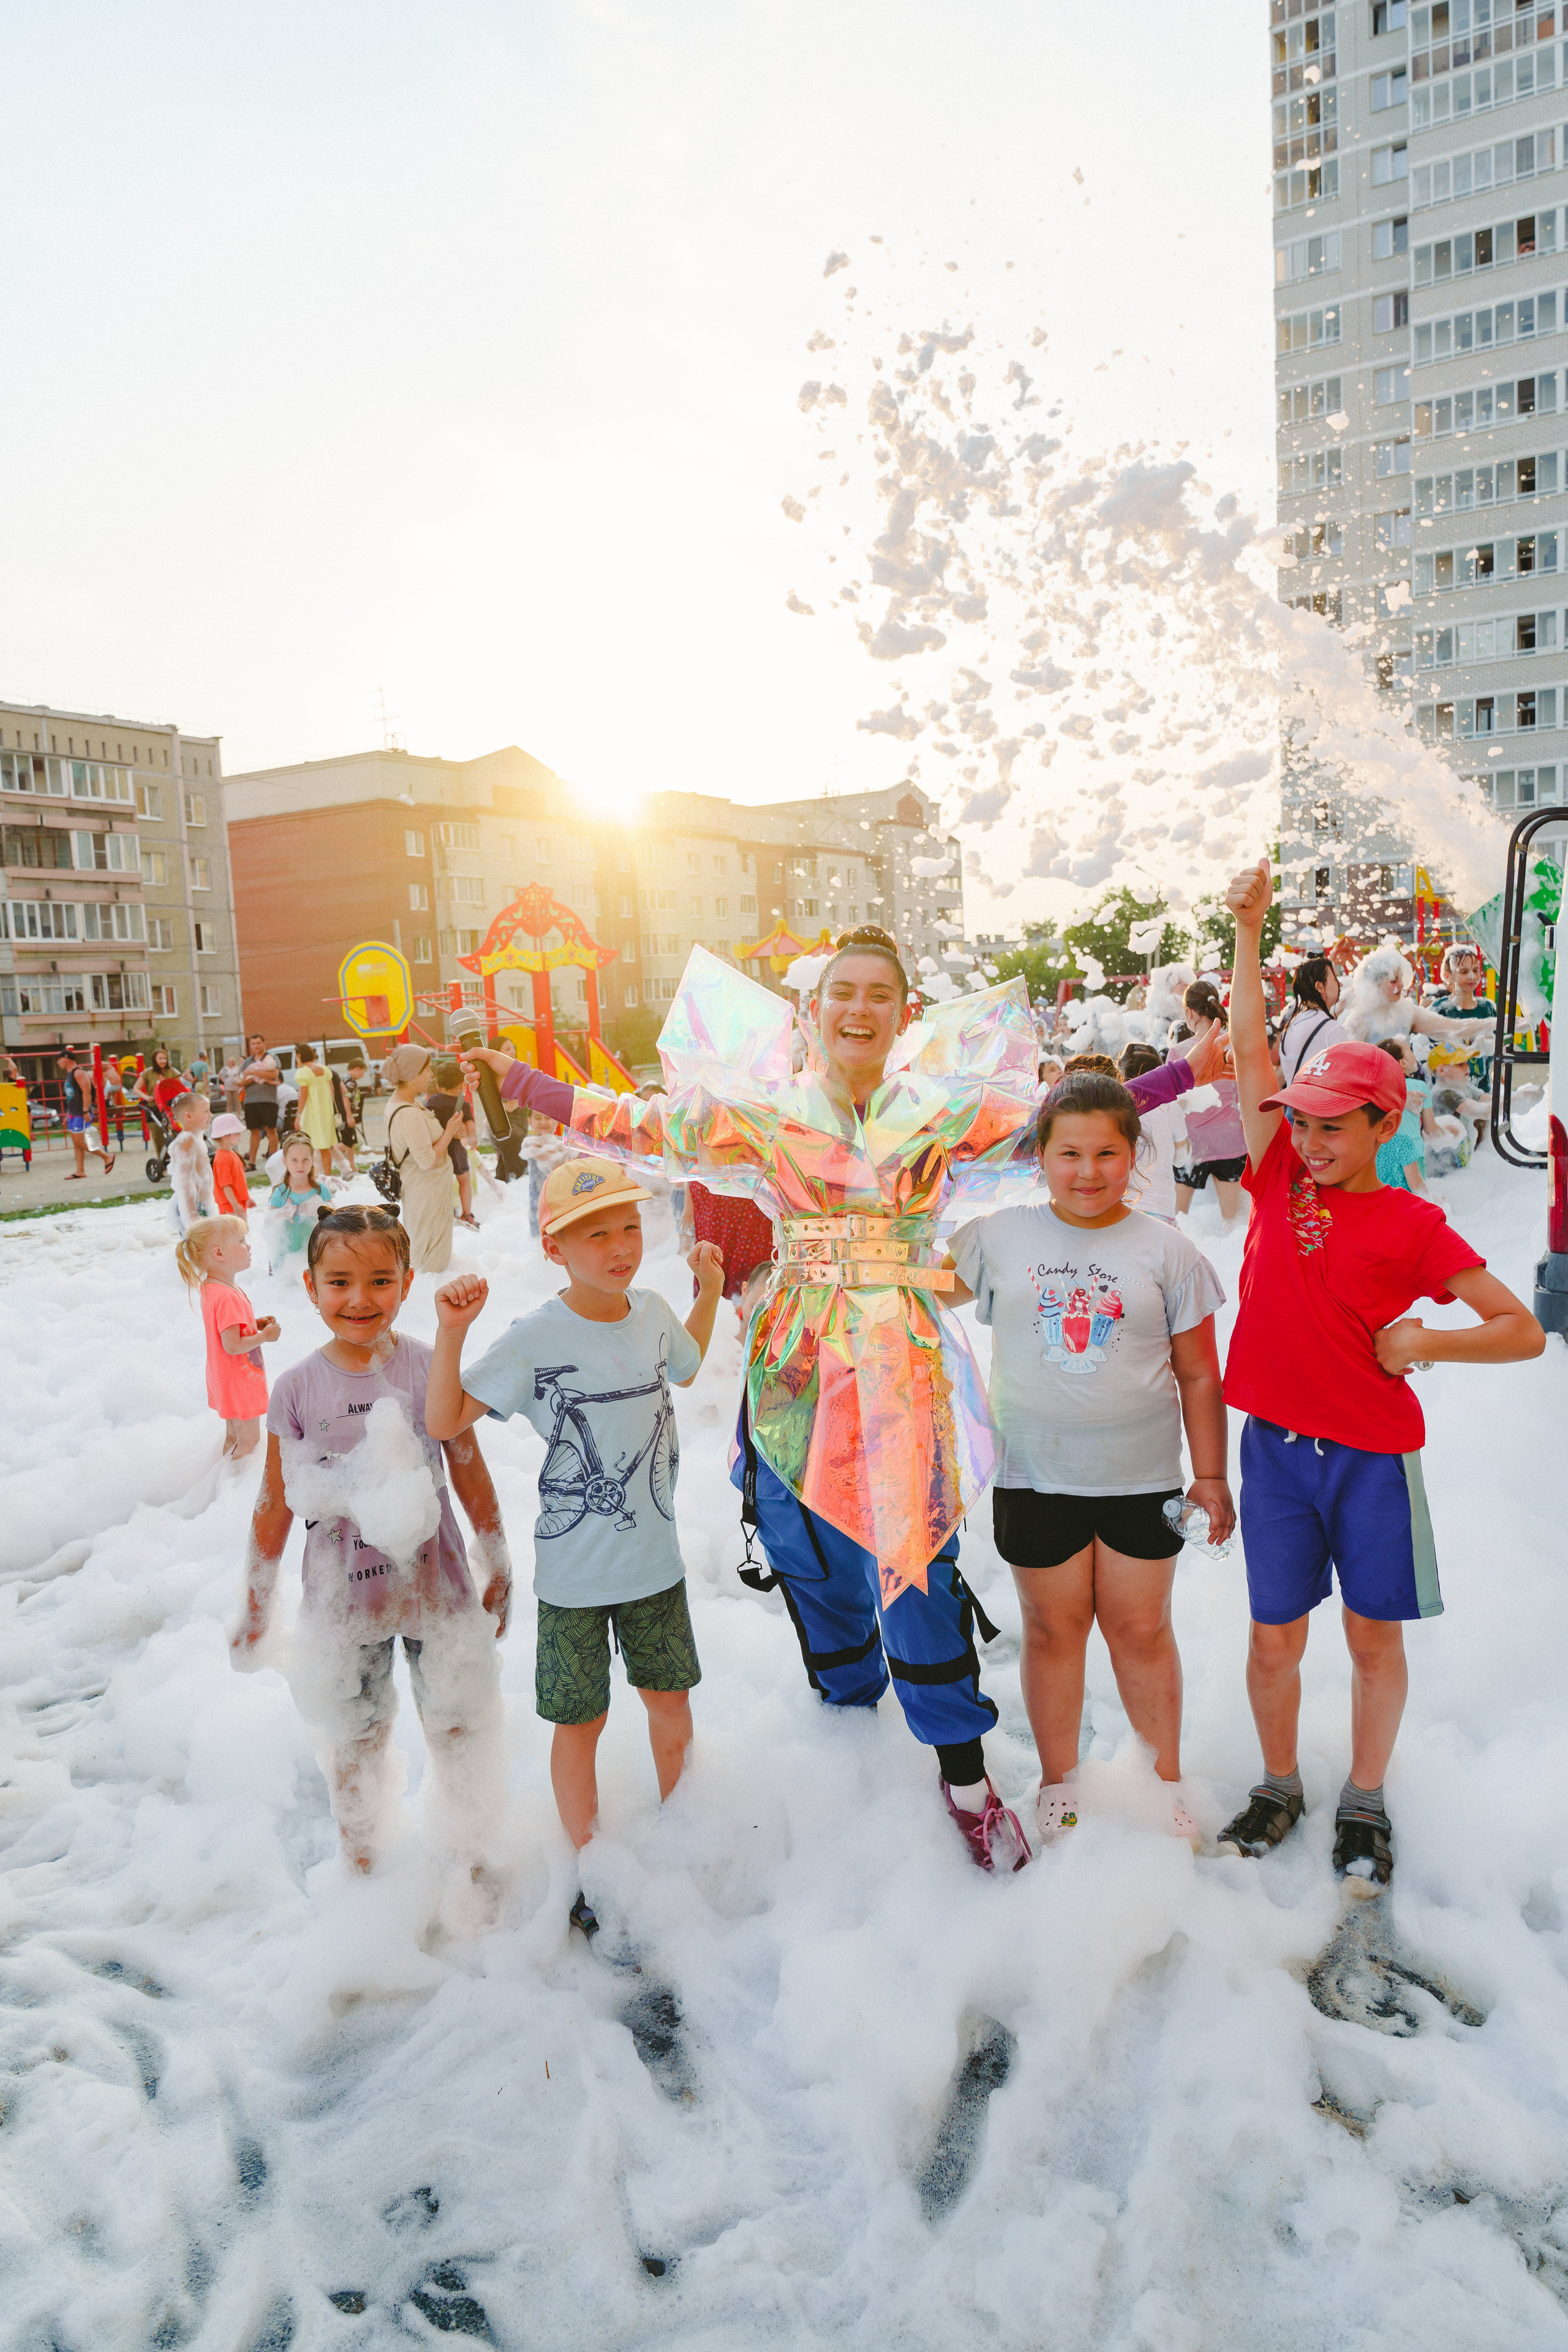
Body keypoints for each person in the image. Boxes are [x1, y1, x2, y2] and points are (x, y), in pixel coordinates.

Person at [462, 927, 1230, 1871]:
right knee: (802, 1547)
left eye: (879, 994)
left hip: (901, 1360)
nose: (859, 1009)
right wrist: (527, 1083)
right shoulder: (766, 1112)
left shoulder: (943, 1113)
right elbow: (645, 1124)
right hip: (792, 1355)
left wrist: (1186, 1072)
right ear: (813, 1012)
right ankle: (848, 1712)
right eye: (842, 993)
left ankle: (962, 1772)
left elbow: (1063, 1122)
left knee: (911, 1559)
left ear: (903, 1015)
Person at [1215, 858, 1544, 1890]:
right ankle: (1278, 1786)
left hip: (1370, 1459)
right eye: (1299, 1121)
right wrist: (1248, 930)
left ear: (1383, 1126)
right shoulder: (1274, 1173)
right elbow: (1245, 1046)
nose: (1308, 1140)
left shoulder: (1410, 1223)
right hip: (1271, 1451)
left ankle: (1365, 1797)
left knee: (1370, 1638)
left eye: (1331, 1124)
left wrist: (1426, 1343)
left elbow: (1521, 1329)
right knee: (1274, 1642)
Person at [426, 1164, 724, 1915]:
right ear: (556, 1246)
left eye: (628, 1226)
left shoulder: (653, 1311)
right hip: (573, 1580)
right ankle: (588, 1866)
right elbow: (444, 1420)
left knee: (670, 1703)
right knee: (579, 1721)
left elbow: (684, 1372)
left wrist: (710, 1291)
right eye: (596, 1233)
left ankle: (687, 1836)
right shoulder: (535, 1339)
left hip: (655, 1566)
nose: (619, 1245)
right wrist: (452, 1333)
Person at [946, 1071, 1230, 1844]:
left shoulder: (1167, 1252)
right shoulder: (997, 1238)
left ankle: (1160, 1781)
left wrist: (1210, 1476)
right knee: (1052, 1630)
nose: (1088, 1172)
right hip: (1034, 1478)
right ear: (1039, 1155)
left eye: (1107, 1153)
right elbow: (902, 1281)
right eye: (1068, 1153)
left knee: (1141, 1631)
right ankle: (1059, 1783)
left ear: (1133, 1154)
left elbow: (1199, 1373)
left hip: (1141, 1482)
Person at [233, 1205, 511, 1880]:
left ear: (408, 1282)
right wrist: (256, 1602)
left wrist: (495, 1558)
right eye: (339, 1282)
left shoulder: (428, 1368)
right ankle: (363, 1872)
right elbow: (274, 1500)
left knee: (457, 1729)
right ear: (310, 1287)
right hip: (342, 1601)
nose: (360, 1299)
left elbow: (468, 1466)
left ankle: (471, 1865)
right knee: (355, 1741)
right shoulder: (297, 1387)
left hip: (437, 1586)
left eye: (380, 1280)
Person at [175, 1212, 280, 1458]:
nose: (249, 1246)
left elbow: (227, 1328)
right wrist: (265, 1337)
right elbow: (232, 1345)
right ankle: (235, 1484)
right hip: (240, 1380)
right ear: (219, 1254)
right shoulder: (228, 1296)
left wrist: (253, 1325)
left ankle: (222, 1480)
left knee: (233, 1436)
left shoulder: (213, 1288)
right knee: (250, 1441)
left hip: (224, 1377)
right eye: (241, 1241)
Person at [383, 1042, 467, 1275]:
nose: (431, 1075)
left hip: (426, 1190)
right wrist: (450, 1132)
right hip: (426, 1192)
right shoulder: (408, 1112)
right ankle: (431, 1303)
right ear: (412, 1077)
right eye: (427, 1070)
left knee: (426, 1250)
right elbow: (427, 1161)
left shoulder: (408, 1102)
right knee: (431, 1259)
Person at [1172, 982, 1248, 1226]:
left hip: (1192, 1147)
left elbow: (1173, 1105)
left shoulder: (1178, 1051)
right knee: (1234, 1224)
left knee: (1176, 1221)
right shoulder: (1234, 1046)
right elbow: (1244, 1097)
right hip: (1232, 1143)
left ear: (1190, 1013)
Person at [1118, 1042, 1184, 1222]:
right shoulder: (1171, 1109)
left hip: (1121, 1207)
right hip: (1160, 1207)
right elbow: (1182, 1159)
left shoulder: (1114, 1109)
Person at [1434, 943, 1497, 1096]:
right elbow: (1433, 1052)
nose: (1472, 976)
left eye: (1475, 970)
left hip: (1483, 1088)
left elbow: (1498, 1048)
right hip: (1451, 1093)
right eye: (1464, 971)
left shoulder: (1487, 1008)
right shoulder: (1441, 1010)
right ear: (1447, 976)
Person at [426, 1058, 480, 1231]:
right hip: (456, 1149)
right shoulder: (463, 1105)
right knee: (464, 1180)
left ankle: (444, 1211)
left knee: (441, 1182)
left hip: (438, 1147)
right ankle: (467, 1213)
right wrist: (473, 1142)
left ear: (439, 1087)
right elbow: (471, 1128)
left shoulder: (432, 1101)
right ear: (461, 1086)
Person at [1276, 956, 1346, 1085]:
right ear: (1320, 987)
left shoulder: (1291, 1025)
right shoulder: (1331, 1028)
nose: (1341, 984)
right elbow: (1341, 1081)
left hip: (1293, 1103)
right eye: (1336, 978)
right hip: (1320, 1104)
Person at [269, 1135, 333, 1254]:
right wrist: (279, 1215)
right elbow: (269, 1226)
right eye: (294, 1160)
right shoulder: (280, 1194)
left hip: (316, 1253)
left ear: (313, 1160)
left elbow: (336, 1221)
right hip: (288, 1256)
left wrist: (318, 1211)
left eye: (305, 1160)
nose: (300, 1165)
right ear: (285, 1161)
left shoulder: (321, 1190)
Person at [56, 1051, 115, 1180]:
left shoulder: (79, 1073)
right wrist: (68, 1114)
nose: (58, 1062)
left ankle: (106, 1157)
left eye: (60, 1059)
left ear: (67, 1059)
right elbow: (73, 1096)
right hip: (74, 1112)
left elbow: (86, 1092)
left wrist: (85, 1111)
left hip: (81, 1113)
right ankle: (80, 1170)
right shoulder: (70, 1074)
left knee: (79, 1142)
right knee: (77, 1143)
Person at [167, 1090, 217, 1234]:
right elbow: (185, 1184)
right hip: (190, 1208)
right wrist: (193, 1220)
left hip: (199, 1205)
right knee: (198, 1253)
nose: (211, 1115)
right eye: (206, 1111)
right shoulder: (186, 1142)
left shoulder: (195, 1139)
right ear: (189, 1116)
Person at [292, 1043, 339, 1185]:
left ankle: (313, 1177)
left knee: (309, 1145)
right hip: (325, 1112)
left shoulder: (303, 1072)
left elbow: (303, 1095)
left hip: (312, 1113)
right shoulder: (324, 1069)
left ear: (299, 1055)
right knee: (325, 1147)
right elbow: (332, 1090)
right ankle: (328, 1178)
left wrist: (298, 1115)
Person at [239, 1037, 281, 1169]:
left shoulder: (271, 1058)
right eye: (254, 1043)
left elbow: (274, 1075)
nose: (256, 1046)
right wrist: (254, 1077)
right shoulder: (247, 1062)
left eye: (259, 1043)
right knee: (254, 1132)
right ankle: (252, 1163)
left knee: (271, 1130)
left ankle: (274, 1162)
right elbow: (239, 1081)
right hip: (251, 1101)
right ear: (250, 1046)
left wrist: (253, 1073)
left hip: (268, 1100)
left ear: (264, 1043)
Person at [209, 1112, 252, 1219]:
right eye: (237, 1133)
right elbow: (226, 1185)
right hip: (230, 1205)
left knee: (242, 1232)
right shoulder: (223, 1158)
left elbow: (238, 1181)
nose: (240, 1136)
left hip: (237, 1202)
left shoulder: (231, 1153)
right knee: (236, 1234)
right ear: (226, 1136)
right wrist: (235, 1205)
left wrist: (246, 1199)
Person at [100, 1055, 127, 1150]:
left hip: (112, 1085)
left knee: (105, 1090)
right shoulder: (112, 1068)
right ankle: (113, 1103)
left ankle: (105, 1100)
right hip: (118, 1086)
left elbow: (102, 1081)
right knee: (113, 1093)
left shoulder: (105, 1070)